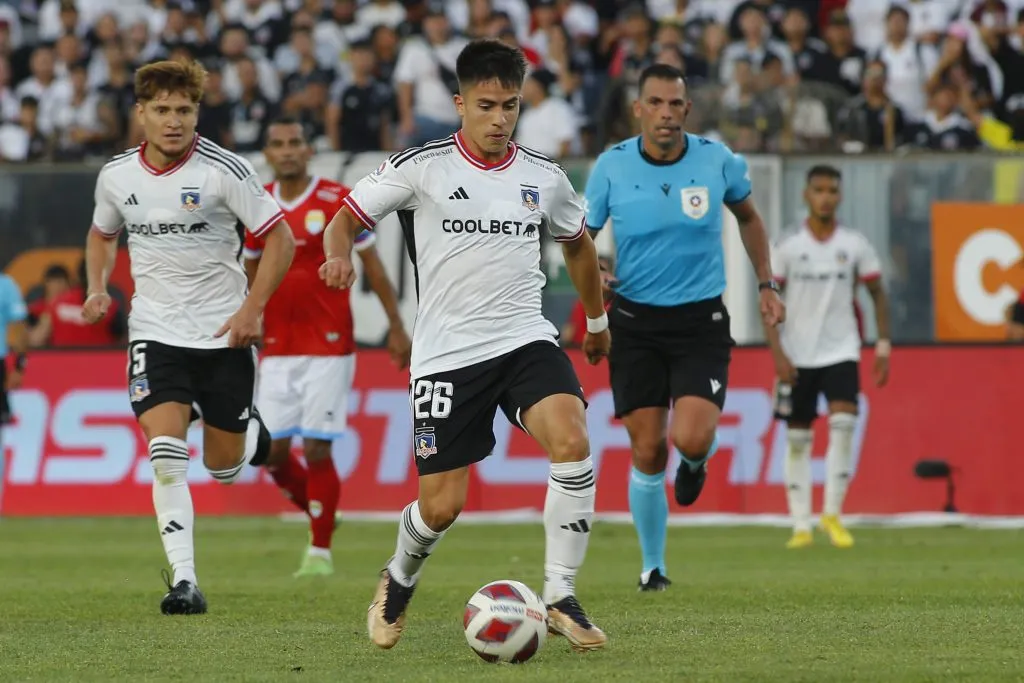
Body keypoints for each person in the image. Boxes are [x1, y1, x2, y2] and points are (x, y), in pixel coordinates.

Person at [320, 39, 610, 653]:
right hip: (448, 354)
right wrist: (339, 255)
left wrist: (596, 317)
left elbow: (577, 243)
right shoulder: (420, 166)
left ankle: (559, 594)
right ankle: (398, 580)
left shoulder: (543, 176)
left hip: (524, 337)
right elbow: (344, 216)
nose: (500, 119)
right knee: (442, 506)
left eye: (510, 106)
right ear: (459, 104)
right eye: (487, 105)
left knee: (573, 438)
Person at [82, 60, 296, 615]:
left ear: (197, 112)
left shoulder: (226, 170)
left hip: (224, 334)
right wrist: (97, 286)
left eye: (184, 110)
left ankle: (249, 433)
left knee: (224, 470)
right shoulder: (117, 176)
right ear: (141, 113)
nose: (173, 121)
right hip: (156, 334)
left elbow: (282, 240)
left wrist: (253, 309)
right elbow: (102, 233)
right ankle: (185, 581)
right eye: (162, 110)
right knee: (166, 455)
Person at [582, 63, 784, 592]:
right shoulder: (611, 167)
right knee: (648, 451)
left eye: (675, 105)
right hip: (633, 322)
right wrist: (597, 283)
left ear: (687, 110)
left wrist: (767, 284)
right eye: (656, 103)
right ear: (638, 109)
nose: (666, 114)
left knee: (689, 437)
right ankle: (653, 567)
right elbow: (579, 239)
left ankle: (697, 461)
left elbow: (750, 218)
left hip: (699, 320)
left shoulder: (719, 161)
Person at [243, 116, 411, 578]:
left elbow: (374, 268)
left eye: (295, 141)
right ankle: (321, 509)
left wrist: (397, 327)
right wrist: (247, 316)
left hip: (329, 342)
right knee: (269, 452)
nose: (288, 150)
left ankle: (319, 551)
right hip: (275, 344)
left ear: (309, 149)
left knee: (317, 448)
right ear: (269, 154)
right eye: (278, 143)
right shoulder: (258, 207)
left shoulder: (336, 200)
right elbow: (250, 274)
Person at [768, 165, 890, 549]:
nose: (825, 197)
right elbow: (769, 303)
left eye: (832, 191)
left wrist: (882, 343)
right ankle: (801, 524)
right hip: (798, 353)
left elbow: (877, 294)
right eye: (818, 189)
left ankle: (833, 514)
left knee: (843, 426)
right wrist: (778, 353)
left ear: (840, 196)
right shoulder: (787, 245)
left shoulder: (854, 244)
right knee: (799, 438)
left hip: (842, 349)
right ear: (806, 195)